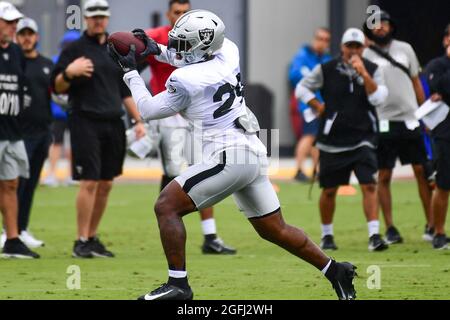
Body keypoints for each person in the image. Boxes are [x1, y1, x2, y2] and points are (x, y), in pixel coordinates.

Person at [109, 10, 357, 300]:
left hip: (230, 156)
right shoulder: (228, 50)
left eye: (182, 42)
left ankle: (178, 285)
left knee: (166, 206)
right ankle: (335, 270)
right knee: (275, 229)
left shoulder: (184, 80)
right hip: (251, 151)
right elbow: (193, 58)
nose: (177, 46)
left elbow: (148, 110)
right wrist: (157, 50)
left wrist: (130, 72)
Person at [51, 0, 146, 258]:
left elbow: (123, 89)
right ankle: (80, 240)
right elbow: (57, 86)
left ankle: (91, 237)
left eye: (102, 16)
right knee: (89, 181)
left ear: (107, 18)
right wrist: (70, 73)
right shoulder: (74, 49)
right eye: (93, 16)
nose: (98, 20)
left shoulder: (115, 49)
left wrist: (138, 120)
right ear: (86, 19)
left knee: (106, 183)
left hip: (113, 123)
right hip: (85, 121)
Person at [140, 0, 235, 254]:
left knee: (201, 167)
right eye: (177, 12)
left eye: (185, 12)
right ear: (168, 14)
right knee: (174, 171)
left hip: (198, 112)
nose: (181, 15)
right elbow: (144, 61)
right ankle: (169, 223)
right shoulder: (158, 36)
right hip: (167, 111)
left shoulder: (202, 39)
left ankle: (210, 235)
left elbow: (186, 60)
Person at [296, 28, 389, 252]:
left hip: (363, 136)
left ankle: (374, 234)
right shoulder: (326, 69)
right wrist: (317, 106)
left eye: (358, 46)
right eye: (350, 46)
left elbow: (378, 98)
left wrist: (364, 74)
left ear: (364, 48)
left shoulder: (374, 69)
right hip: (333, 139)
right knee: (329, 190)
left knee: (369, 184)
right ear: (342, 47)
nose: (354, 50)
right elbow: (302, 88)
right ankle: (327, 235)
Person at [363, 11, 433, 244]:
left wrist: (426, 115)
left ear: (391, 26)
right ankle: (391, 227)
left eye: (383, 23)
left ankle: (432, 224)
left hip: (410, 118)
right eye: (375, 25)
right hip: (383, 119)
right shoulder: (365, 54)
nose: (380, 28)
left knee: (421, 171)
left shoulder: (406, 49)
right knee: (384, 174)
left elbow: (416, 82)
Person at [0, 2, 39, 258]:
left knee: (11, 183)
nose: (14, 27)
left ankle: (12, 239)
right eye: (9, 22)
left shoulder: (15, 51)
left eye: (16, 22)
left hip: (12, 131)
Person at [14, 17, 54, 248]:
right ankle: (10, 230)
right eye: (22, 34)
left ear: (36, 37)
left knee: (30, 184)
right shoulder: (13, 63)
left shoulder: (46, 64)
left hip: (42, 132)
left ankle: (22, 228)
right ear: (17, 37)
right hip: (19, 133)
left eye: (30, 34)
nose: (27, 38)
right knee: (15, 184)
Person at [289, 27, 331, 182]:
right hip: (308, 104)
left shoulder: (326, 59)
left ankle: (316, 170)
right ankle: (299, 170)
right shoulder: (303, 56)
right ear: (314, 39)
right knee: (309, 136)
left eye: (326, 40)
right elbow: (294, 76)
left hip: (322, 104)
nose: (322, 43)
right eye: (320, 38)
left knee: (317, 138)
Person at [424, 23, 450, 249]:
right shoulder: (437, 65)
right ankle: (439, 231)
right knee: (443, 182)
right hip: (445, 131)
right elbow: (439, 86)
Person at [43, 31, 81, 187]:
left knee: (69, 143)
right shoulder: (57, 61)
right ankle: (54, 174)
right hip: (60, 111)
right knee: (58, 143)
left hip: (71, 110)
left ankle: (69, 174)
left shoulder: (80, 62)